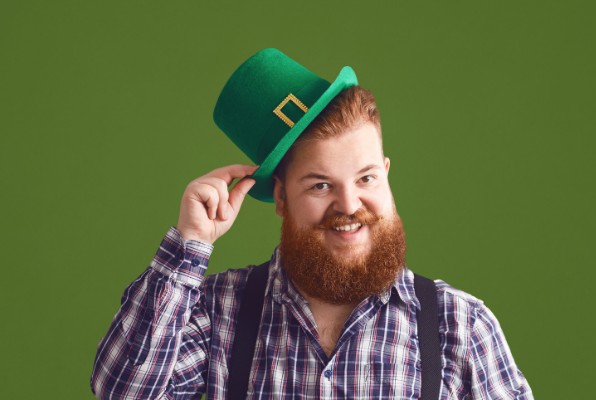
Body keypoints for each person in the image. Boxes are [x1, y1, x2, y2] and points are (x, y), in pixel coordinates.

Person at [90, 48, 533, 399]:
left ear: (386, 173)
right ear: (281, 198)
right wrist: (190, 247)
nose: (349, 204)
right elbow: (123, 391)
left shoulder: (459, 325)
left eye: (366, 178)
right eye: (321, 186)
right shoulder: (220, 311)